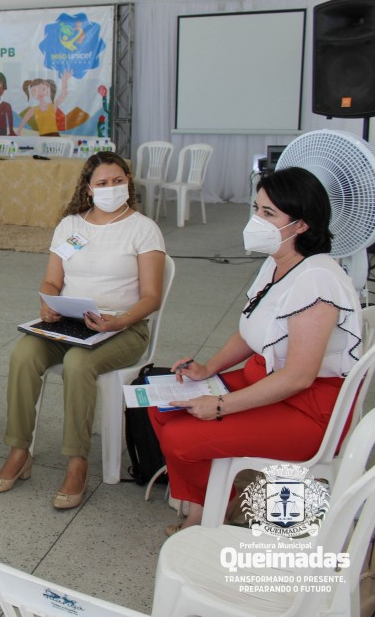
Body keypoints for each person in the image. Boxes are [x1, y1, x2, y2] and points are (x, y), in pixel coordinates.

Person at [152, 167, 362, 534]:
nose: (256, 221)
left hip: (307, 408)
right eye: (256, 209)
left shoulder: (318, 279)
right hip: (267, 380)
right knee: (162, 406)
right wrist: (208, 369)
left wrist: (219, 406)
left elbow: (299, 376)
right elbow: (252, 331)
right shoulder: (277, 262)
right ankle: (216, 497)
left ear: (301, 225)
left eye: (268, 214)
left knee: (179, 435)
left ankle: (211, 509)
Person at [0, 152, 165, 508]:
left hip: (124, 327)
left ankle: (77, 461)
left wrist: (120, 320)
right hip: (71, 322)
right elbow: (52, 280)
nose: (111, 188)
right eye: (102, 183)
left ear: (129, 182)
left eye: (118, 181)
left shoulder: (143, 229)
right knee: (23, 354)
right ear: (88, 188)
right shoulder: (70, 225)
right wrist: (49, 304)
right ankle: (19, 450)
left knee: (78, 365)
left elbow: (152, 297)